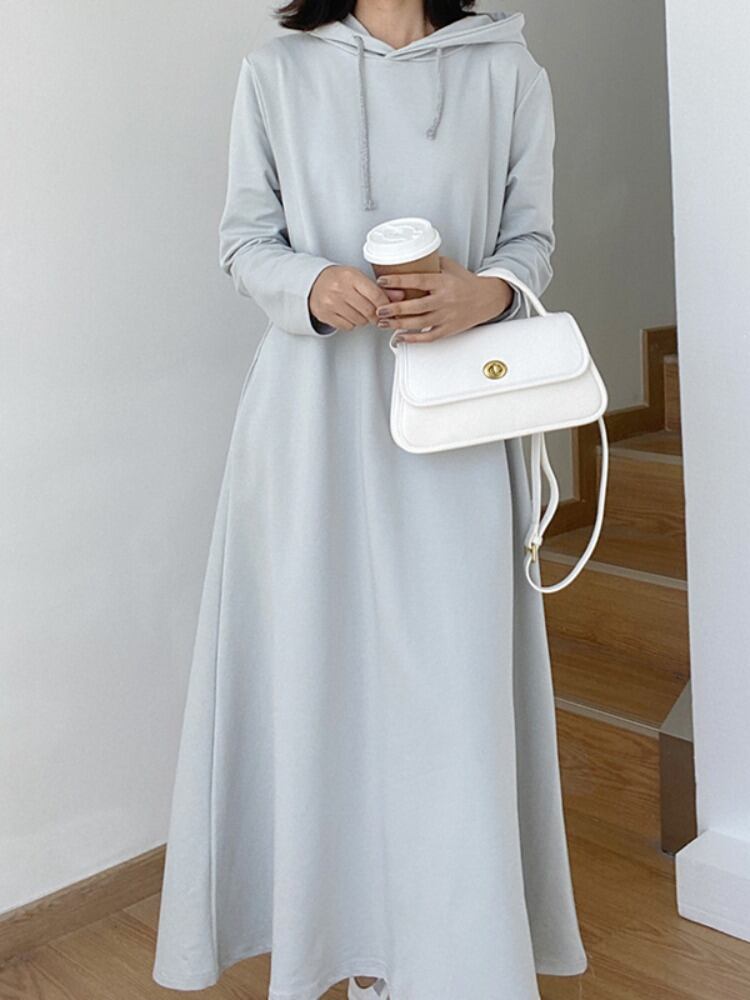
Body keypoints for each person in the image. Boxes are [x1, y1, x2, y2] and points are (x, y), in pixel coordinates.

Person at [151, 2, 588, 998]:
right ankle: (346, 951)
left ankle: (457, 964)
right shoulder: (276, 71)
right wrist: (311, 284)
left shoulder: (508, 72)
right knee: (320, 683)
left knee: (454, 698)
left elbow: (532, 239)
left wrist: (487, 294)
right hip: (311, 425)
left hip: (454, 426)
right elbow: (243, 240)